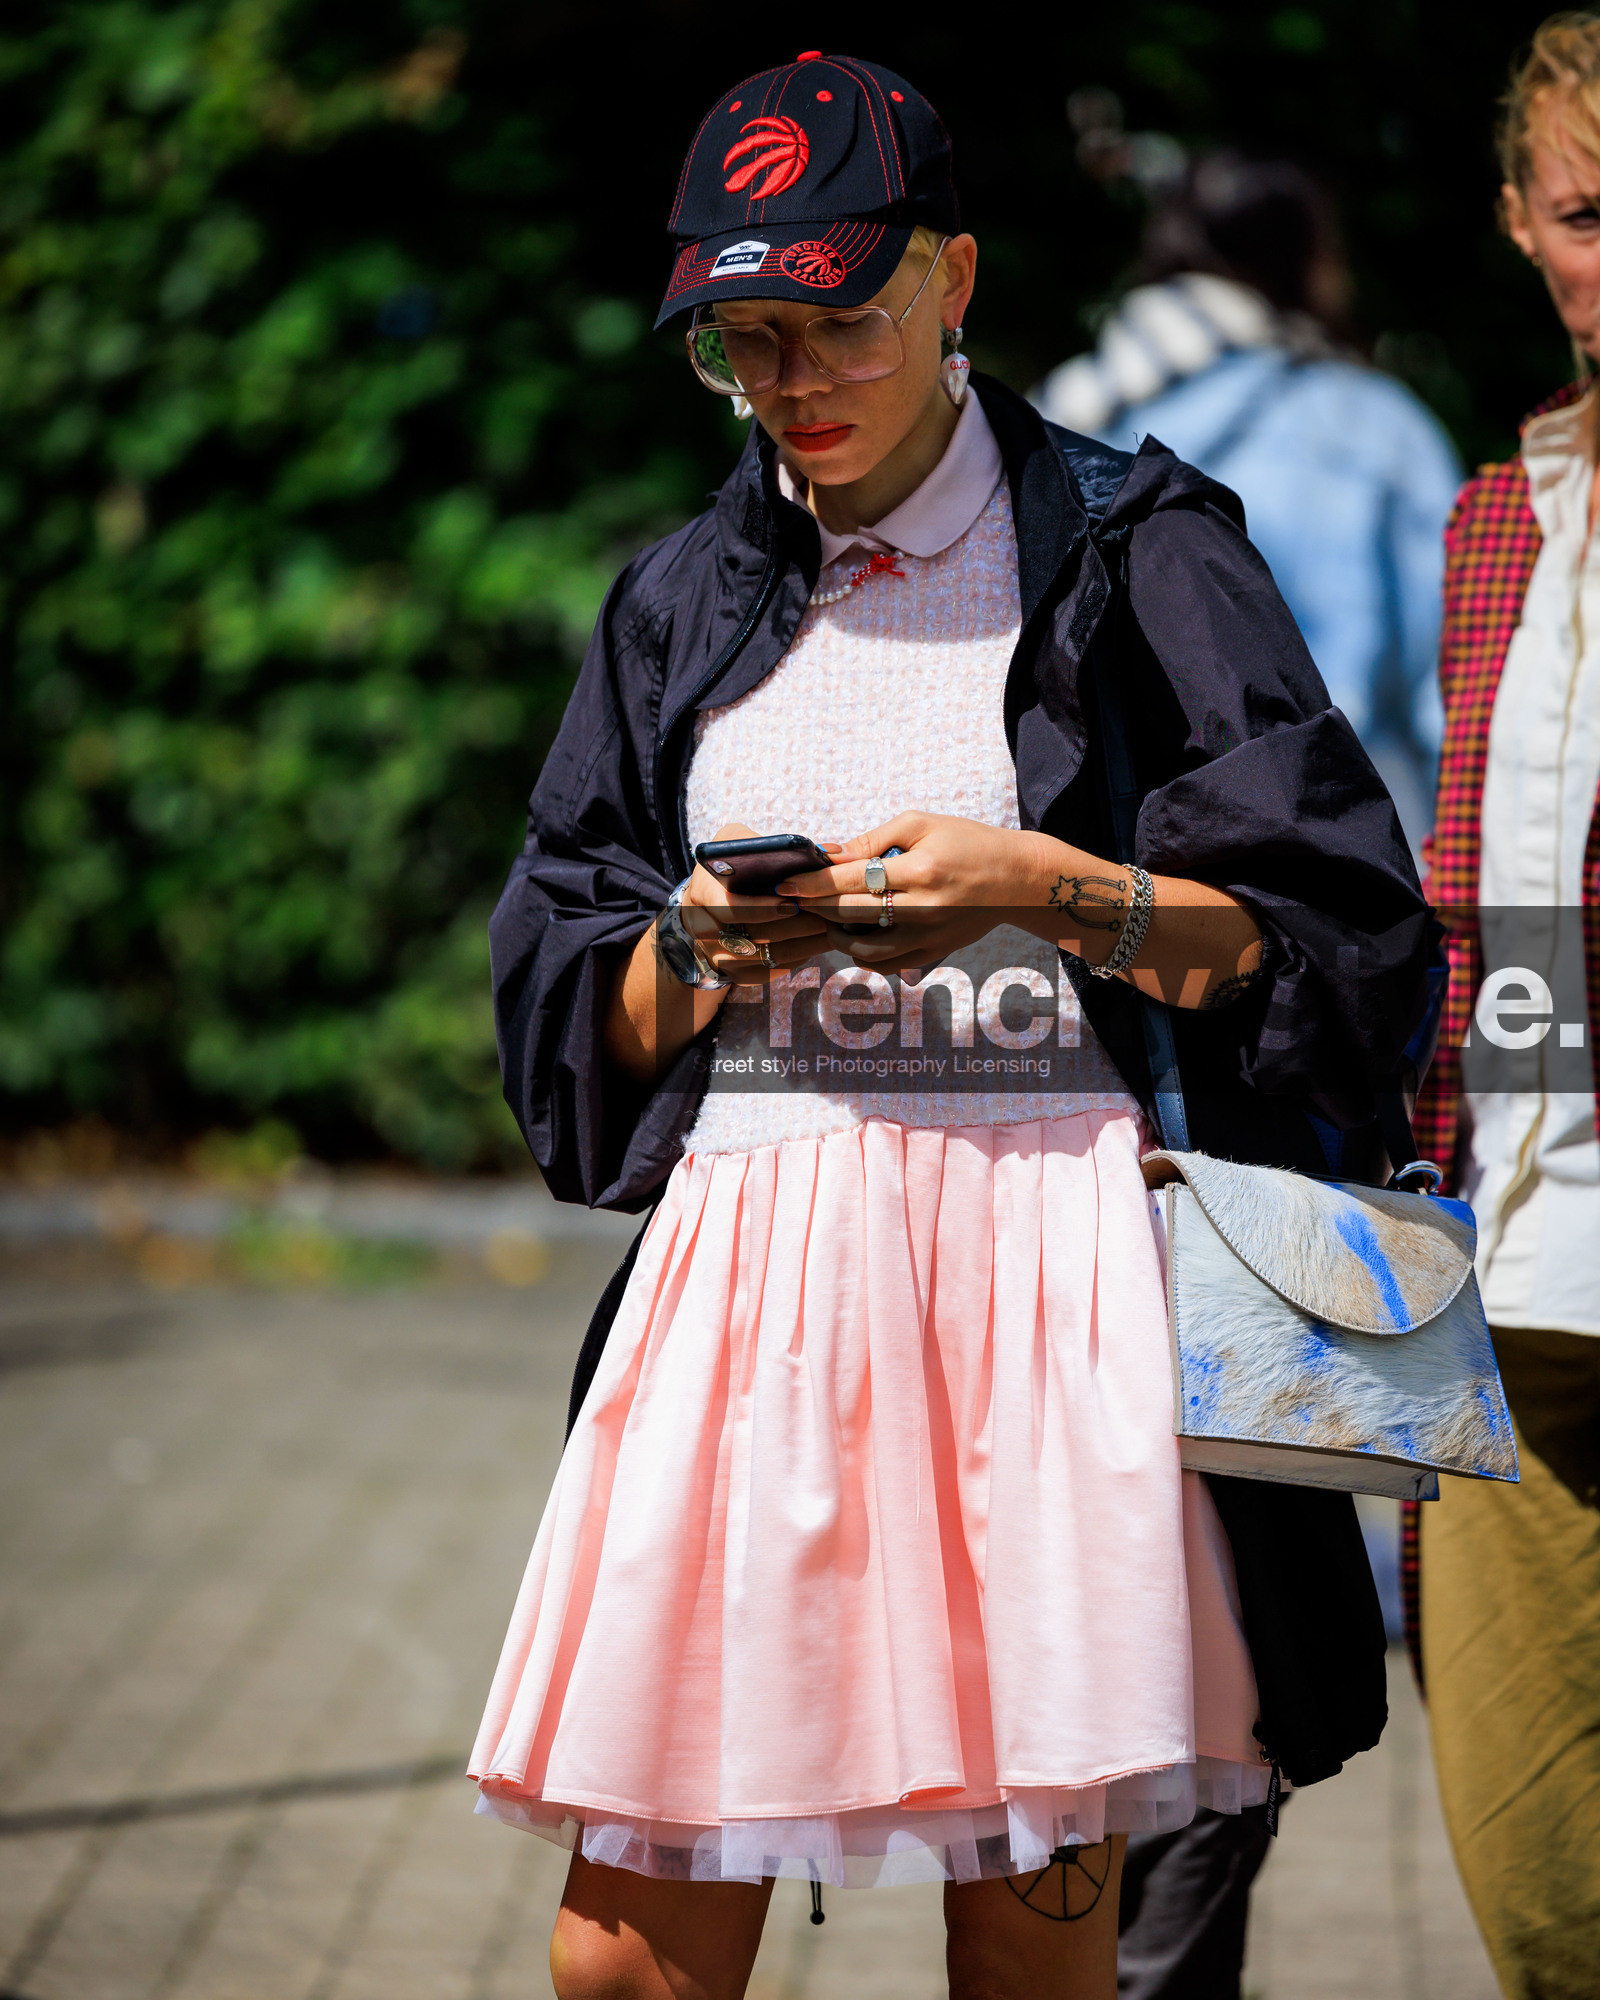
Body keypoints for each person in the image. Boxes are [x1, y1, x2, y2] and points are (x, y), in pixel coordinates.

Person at [470, 51, 1428, 2000]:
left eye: (838, 320)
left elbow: (1335, 944)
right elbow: (572, 1016)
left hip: (1047, 1292)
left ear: (957, 278)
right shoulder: (679, 601)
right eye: (741, 340)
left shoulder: (1138, 548)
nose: (792, 381)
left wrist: (1048, 888)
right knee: (618, 1960)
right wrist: (700, 946)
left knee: (1024, 1952)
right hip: (749, 1293)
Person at [1409, 17, 1600, 1995]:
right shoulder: (1496, 522)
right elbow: (1495, 913)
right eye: (1591, 212)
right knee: (1539, 1888)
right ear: (1520, 227)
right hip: (1513, 1258)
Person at [1036, 153, 1462, 850]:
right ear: (1307, 262)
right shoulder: (1375, 426)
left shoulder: (1064, 421)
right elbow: (1452, 685)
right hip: (1354, 857)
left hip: (1128, 864)